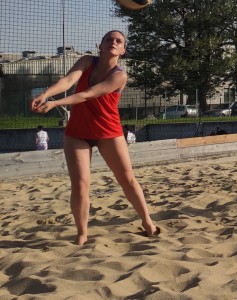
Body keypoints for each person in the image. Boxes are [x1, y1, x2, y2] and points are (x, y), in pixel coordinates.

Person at [30, 30, 159, 245]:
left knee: (127, 179)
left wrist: (54, 103)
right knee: (80, 184)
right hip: (78, 132)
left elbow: (88, 94)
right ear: (100, 45)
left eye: (119, 41)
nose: (114, 42)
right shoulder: (87, 61)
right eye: (109, 39)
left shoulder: (120, 75)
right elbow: (68, 80)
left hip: (108, 131)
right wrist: (46, 94)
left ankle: (147, 221)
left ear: (123, 50)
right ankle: (82, 234)